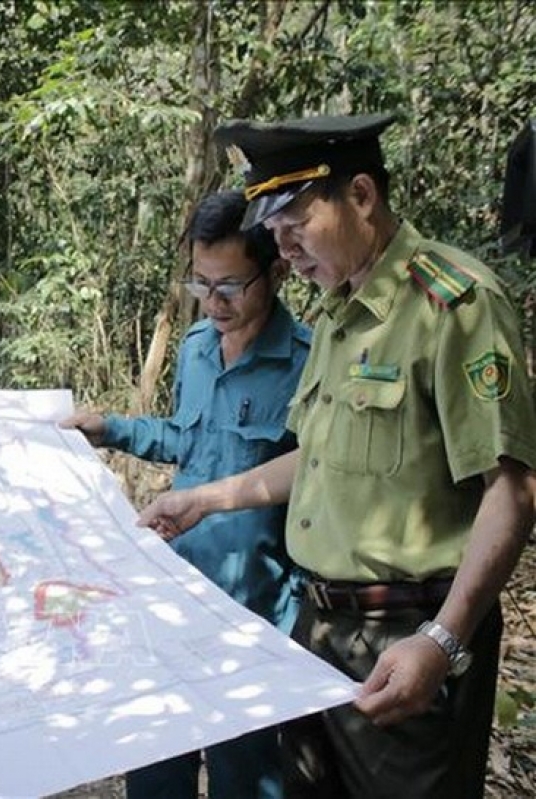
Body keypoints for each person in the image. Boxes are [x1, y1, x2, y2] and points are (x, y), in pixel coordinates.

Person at [139, 113, 536, 798]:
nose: (285, 251)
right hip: (317, 633)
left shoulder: (453, 304)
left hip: (406, 633)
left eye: (296, 226)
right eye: (275, 233)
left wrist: (443, 641)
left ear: (359, 196)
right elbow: (316, 459)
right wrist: (202, 498)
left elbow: (513, 488)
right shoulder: (336, 312)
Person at [61, 190, 310, 799]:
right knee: (156, 768)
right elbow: (184, 439)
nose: (215, 303)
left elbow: (319, 477)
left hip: (252, 618)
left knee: (243, 778)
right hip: (173, 602)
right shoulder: (197, 347)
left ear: (275, 271)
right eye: (200, 285)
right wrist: (111, 428)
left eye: (230, 286)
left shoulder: (308, 362)